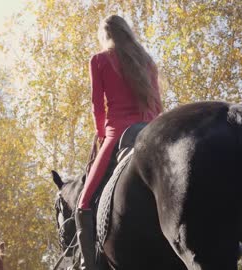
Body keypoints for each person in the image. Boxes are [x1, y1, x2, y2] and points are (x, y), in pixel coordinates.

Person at [75, 15, 162, 270]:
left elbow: (97, 107)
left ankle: (88, 265)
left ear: (105, 37)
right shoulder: (146, 61)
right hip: (151, 131)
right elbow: (157, 106)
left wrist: (101, 135)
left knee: (83, 203)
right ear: (127, 33)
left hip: (117, 134)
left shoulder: (99, 60)